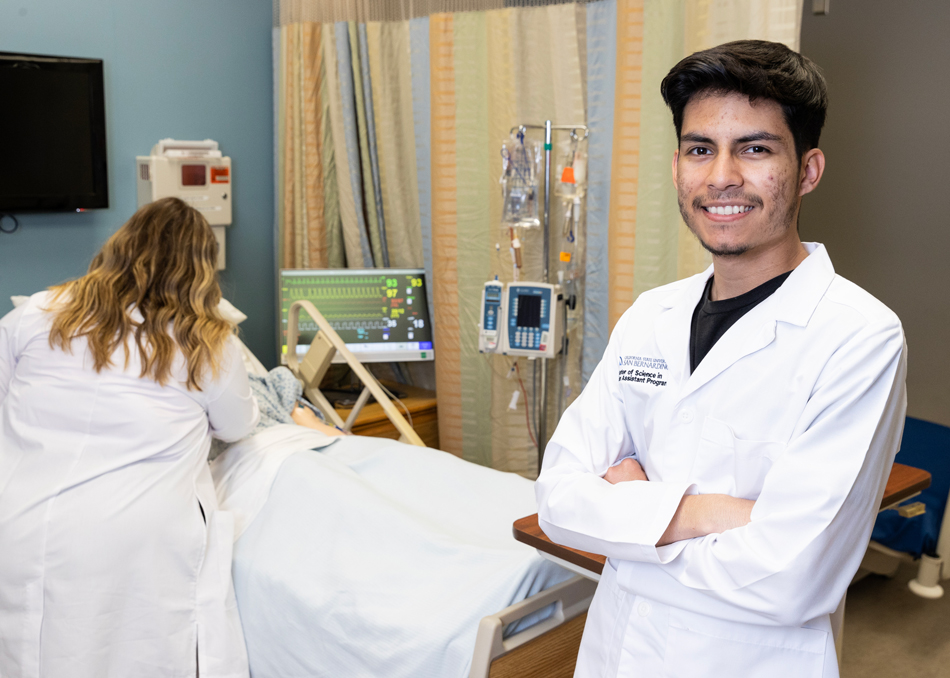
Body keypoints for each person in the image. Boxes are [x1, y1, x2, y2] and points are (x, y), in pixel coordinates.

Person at [536, 40, 907, 677]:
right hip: (615, 654)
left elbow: (795, 577)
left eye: (755, 149)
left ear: (808, 170)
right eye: (699, 148)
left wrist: (634, 523)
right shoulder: (651, 316)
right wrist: (707, 515)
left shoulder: (860, 337)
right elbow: (558, 503)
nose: (721, 177)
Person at [0, 197, 260, 678]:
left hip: (21, 520)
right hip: (135, 538)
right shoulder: (207, 340)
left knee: (30, 656)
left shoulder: (37, 313)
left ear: (119, 245)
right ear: (202, 269)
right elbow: (238, 426)